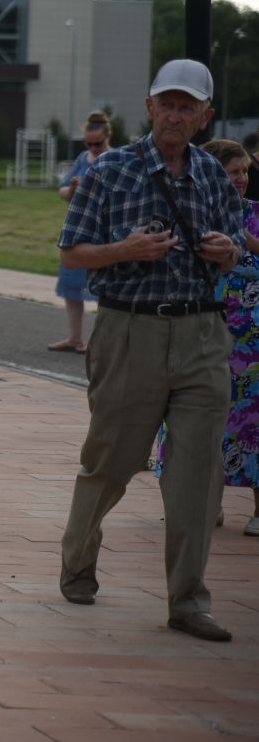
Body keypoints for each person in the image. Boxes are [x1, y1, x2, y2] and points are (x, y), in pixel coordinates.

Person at [57, 58, 244, 643]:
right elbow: (71, 252)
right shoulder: (111, 170)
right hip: (129, 330)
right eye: (167, 103)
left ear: (204, 115)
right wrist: (125, 250)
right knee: (112, 459)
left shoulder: (214, 176)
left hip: (200, 334)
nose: (176, 114)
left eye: (188, 106)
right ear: (148, 108)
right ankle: (78, 560)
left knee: (197, 474)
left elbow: (237, 245)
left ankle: (188, 600)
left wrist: (224, 251)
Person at [152, 139, 259, 538]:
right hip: (197, 333)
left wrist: (245, 242)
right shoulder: (189, 215)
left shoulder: (255, 218)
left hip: (252, 347)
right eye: (233, 171)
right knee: (194, 421)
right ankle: (204, 503)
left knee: (250, 423)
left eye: (245, 171)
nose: (242, 179)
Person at [48, 111, 113, 352]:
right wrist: (74, 189)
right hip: (77, 228)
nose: (93, 148)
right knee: (72, 282)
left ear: (108, 137)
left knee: (101, 287)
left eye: (98, 143)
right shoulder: (82, 159)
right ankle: (75, 337)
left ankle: (99, 340)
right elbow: (63, 192)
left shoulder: (116, 158)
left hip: (102, 230)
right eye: (89, 143)